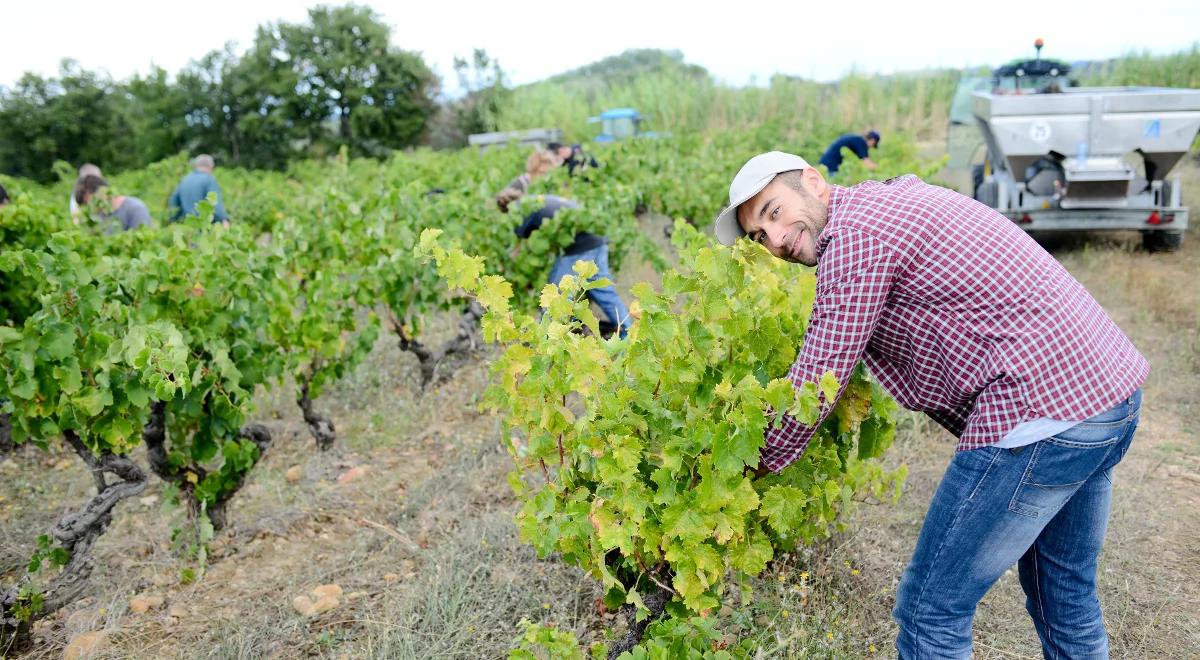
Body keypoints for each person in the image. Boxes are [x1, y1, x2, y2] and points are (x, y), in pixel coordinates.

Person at [713, 151, 1146, 659]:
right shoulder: (882, 203)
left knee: (930, 612)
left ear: (814, 181)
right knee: (1064, 595)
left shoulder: (855, 239)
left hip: (1042, 410)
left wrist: (739, 465)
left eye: (773, 213)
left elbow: (819, 379)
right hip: (1107, 394)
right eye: (759, 237)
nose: (777, 240)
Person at [514, 195, 631, 339]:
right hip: (598, 240)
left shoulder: (520, 210)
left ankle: (555, 340)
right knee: (606, 294)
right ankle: (629, 335)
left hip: (580, 247)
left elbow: (518, 246)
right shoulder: (541, 200)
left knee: (558, 295)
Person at [74, 175, 152, 233]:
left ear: (103, 191)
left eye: (92, 202)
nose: (91, 208)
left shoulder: (135, 209)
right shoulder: (96, 217)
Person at [169, 154, 229, 224]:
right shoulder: (209, 180)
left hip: (187, 224)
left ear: (195, 166)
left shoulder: (185, 179)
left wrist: (173, 219)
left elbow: (173, 200)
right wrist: (224, 220)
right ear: (211, 167)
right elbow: (215, 202)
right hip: (204, 225)